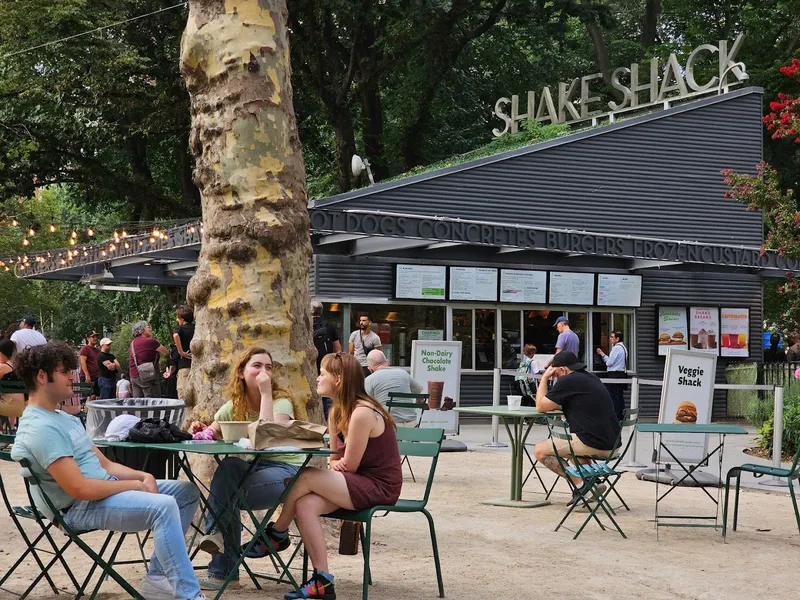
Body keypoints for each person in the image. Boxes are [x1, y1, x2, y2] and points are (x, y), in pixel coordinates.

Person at [10, 341, 207, 600]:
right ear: (41, 376)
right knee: (164, 505)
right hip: (78, 507)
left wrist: (142, 476)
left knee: (185, 491)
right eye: (64, 372)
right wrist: (134, 486)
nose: (72, 376)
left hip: (103, 489)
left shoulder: (65, 419)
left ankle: (158, 579)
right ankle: (189, 595)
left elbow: (105, 465)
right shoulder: (40, 428)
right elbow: (79, 488)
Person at [260, 352, 402, 600]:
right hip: (355, 483)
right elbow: (336, 460)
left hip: (379, 486)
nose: (317, 378)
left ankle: (277, 533)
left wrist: (339, 465)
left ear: (338, 379)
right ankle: (322, 580)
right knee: (304, 504)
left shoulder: (362, 412)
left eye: (322, 373)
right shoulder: (337, 413)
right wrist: (338, 464)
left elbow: (351, 465)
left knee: (304, 476)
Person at [188, 347, 309, 589]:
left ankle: (222, 570)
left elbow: (266, 438)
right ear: (241, 373)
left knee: (228, 492)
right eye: (257, 366)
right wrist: (203, 429)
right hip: (254, 469)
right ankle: (218, 546)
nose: (264, 371)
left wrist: (266, 394)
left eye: (269, 367)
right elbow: (215, 429)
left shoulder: (281, 401)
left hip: (287, 472)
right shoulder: (236, 404)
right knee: (230, 467)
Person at [533, 351, 621, 506]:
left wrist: (544, 379)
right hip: (613, 445)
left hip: (594, 444)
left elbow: (540, 406)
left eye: (555, 374)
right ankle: (592, 482)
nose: (555, 378)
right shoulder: (591, 378)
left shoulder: (567, 381)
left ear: (562, 370)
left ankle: (582, 487)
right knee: (573, 450)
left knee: (539, 450)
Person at [364, 349, 423, 424]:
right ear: (388, 362)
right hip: (411, 423)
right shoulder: (403, 373)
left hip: (388, 426)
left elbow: (365, 402)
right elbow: (418, 390)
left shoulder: (369, 380)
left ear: (370, 370)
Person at [129, 321, 169, 398]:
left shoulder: (132, 343)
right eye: (148, 327)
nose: (151, 329)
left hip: (134, 376)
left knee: (138, 402)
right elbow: (166, 352)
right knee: (152, 401)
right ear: (141, 330)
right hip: (146, 376)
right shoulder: (150, 341)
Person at [595, 331, 628, 421]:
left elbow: (609, 363)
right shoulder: (624, 348)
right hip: (621, 374)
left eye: (612, 337)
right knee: (619, 396)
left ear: (617, 339)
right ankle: (621, 416)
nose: (610, 339)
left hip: (614, 374)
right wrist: (603, 354)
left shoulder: (616, 348)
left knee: (613, 396)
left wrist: (603, 355)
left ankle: (615, 416)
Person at [0, 339, 25, 430]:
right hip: (25, 406)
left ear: (2, 353)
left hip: (9, 406)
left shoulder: (2, 367)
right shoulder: (19, 365)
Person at [311, 300, 341, 372]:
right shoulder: (328, 325)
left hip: (310, 363)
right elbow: (337, 347)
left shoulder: (306, 325)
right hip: (326, 363)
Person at [348, 313, 382, 378]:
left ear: (369, 323)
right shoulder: (354, 334)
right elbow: (351, 352)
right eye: (360, 320)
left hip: (367, 366)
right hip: (356, 365)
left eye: (364, 321)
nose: (361, 323)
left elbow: (379, 354)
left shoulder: (375, 337)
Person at [172, 306, 195, 401]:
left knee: (183, 395)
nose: (177, 320)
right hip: (196, 365)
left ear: (182, 319)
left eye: (177, 317)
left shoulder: (180, 328)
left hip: (184, 366)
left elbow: (175, 335)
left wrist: (181, 352)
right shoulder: (196, 328)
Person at [79, 331, 101, 397]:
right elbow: (82, 362)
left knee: (95, 396)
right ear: (88, 338)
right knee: (87, 397)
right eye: (93, 337)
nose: (95, 338)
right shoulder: (85, 348)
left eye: (96, 337)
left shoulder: (97, 350)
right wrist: (87, 375)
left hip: (96, 377)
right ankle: (85, 407)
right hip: (87, 377)